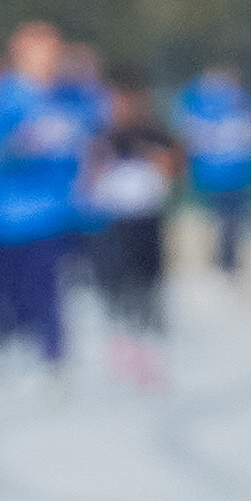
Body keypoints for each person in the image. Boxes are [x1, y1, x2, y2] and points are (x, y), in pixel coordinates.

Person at [0, 20, 99, 377]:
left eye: (54, 51)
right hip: (3, 215)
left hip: (53, 213)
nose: (49, 59)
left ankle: (52, 356)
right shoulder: (0, 97)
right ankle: (12, 344)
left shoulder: (70, 96)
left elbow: (93, 138)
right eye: (40, 52)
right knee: (6, 293)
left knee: (49, 287)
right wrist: (18, 145)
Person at [81, 72, 183, 390]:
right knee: (113, 287)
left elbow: (175, 163)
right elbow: (84, 174)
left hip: (145, 220)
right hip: (109, 222)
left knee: (147, 287)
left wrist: (161, 167)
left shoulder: (154, 133)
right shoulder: (97, 134)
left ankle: (149, 351)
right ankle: (121, 344)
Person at [174, 60, 251, 274]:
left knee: (229, 221)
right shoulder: (207, 102)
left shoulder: (233, 102)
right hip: (218, 173)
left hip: (229, 173)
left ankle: (225, 260)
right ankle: (220, 260)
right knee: (220, 220)